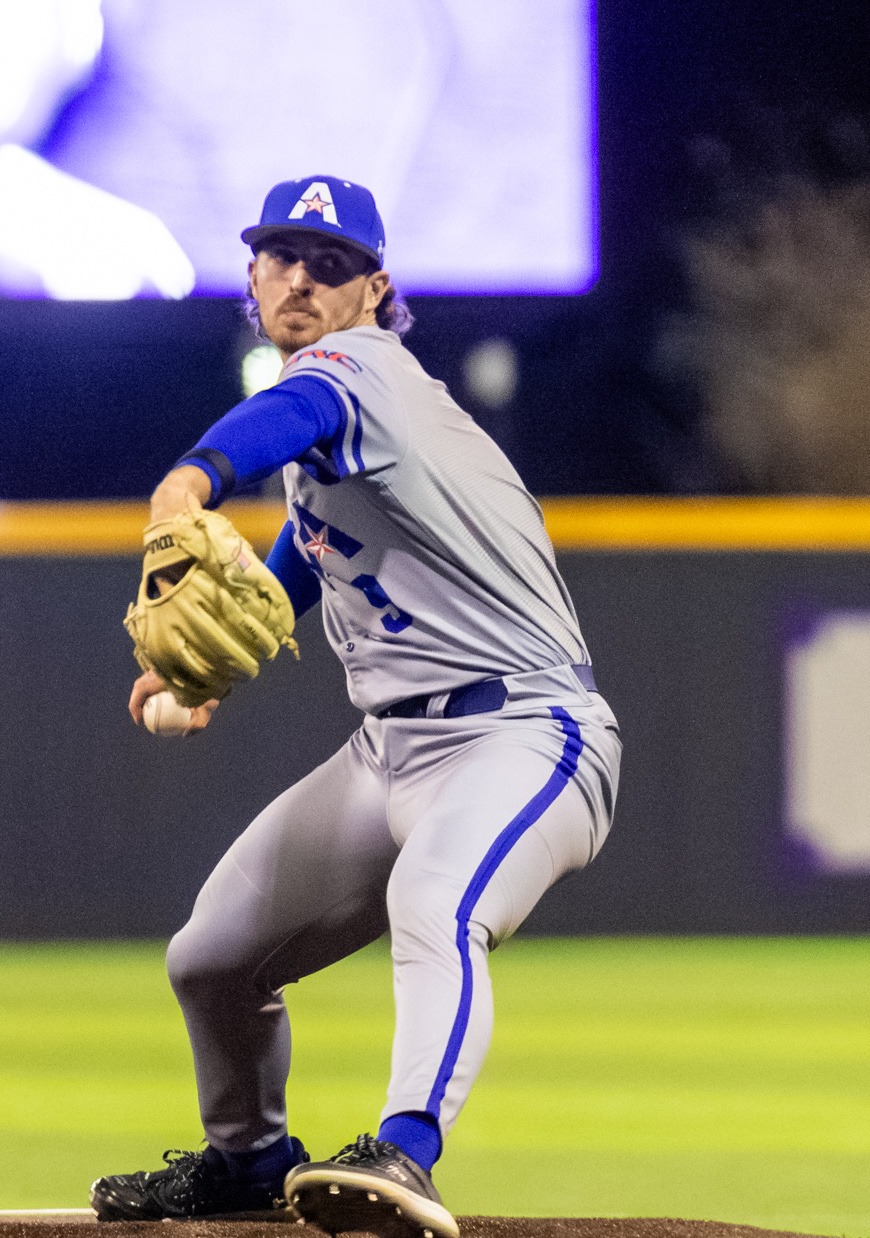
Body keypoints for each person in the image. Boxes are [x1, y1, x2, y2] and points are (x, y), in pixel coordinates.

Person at [90, 175, 622, 1238]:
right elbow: (300, 563)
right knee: (210, 957)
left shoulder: (361, 371)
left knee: (437, 900)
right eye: (280, 255)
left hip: (524, 734)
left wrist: (187, 482)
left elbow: (290, 413)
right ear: (250, 275)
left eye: (329, 263)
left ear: (375, 289)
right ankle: (248, 1158)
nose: (299, 276)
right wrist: (201, 671)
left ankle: (408, 1151)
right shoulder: (350, 437)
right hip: (390, 750)